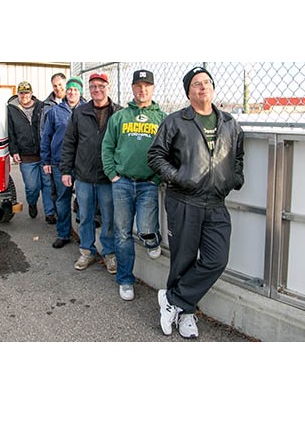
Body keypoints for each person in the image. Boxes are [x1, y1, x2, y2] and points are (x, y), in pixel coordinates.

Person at [147, 67, 245, 339]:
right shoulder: (175, 122)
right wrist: (179, 177)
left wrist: (235, 177)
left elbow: (238, 155)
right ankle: (186, 314)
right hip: (184, 200)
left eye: (207, 82)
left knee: (216, 260)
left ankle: (173, 301)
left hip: (216, 202)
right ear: (188, 92)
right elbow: (155, 157)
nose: (203, 87)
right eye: (197, 84)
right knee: (183, 259)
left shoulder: (230, 123)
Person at [101, 69, 164, 301]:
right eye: (138, 85)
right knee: (122, 233)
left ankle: (151, 239)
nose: (142, 90)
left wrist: (157, 178)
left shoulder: (162, 118)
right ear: (132, 88)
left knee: (147, 225)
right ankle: (126, 280)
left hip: (148, 183)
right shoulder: (119, 117)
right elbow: (107, 147)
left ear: (153, 88)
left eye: (147, 86)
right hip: (122, 183)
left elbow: (169, 151)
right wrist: (112, 174)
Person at [60, 72, 118, 274]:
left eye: (101, 86)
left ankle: (109, 254)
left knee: (109, 218)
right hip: (84, 176)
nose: (97, 90)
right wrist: (66, 170)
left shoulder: (117, 113)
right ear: (89, 89)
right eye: (93, 86)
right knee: (85, 216)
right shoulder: (80, 112)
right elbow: (69, 142)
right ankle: (87, 251)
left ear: (107, 88)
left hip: (108, 178)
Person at [42, 76, 82, 249]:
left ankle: (84, 234)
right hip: (60, 163)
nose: (72, 92)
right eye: (70, 89)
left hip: (82, 164)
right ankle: (63, 233)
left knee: (84, 199)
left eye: (75, 89)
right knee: (62, 199)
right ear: (66, 91)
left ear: (80, 92)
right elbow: (46, 137)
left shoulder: (87, 110)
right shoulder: (55, 112)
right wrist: (46, 160)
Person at [6, 81, 44, 219]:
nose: (24, 96)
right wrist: (14, 151)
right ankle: (32, 203)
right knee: (32, 187)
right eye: (21, 93)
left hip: (43, 154)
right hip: (26, 155)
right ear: (18, 94)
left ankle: (51, 214)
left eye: (27, 93)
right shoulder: (11, 109)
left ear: (31, 93)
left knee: (47, 186)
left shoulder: (41, 106)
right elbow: (11, 132)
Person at [37, 73, 67, 224]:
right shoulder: (47, 106)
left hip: (77, 157)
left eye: (60, 84)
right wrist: (46, 159)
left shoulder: (81, 103)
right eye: (55, 86)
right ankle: (53, 214)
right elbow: (44, 133)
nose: (58, 88)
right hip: (56, 157)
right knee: (53, 188)